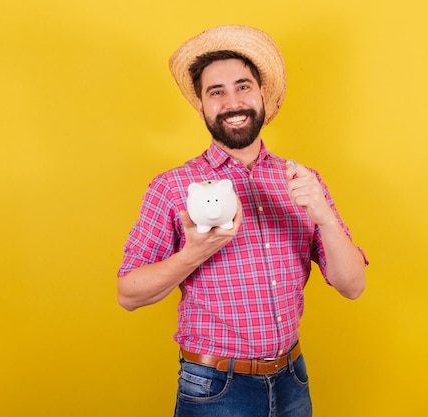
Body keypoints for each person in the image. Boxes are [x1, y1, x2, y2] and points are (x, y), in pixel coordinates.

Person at [117, 25, 368, 417]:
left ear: (262, 94)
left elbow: (352, 285)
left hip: (293, 379)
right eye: (216, 92)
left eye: (243, 86)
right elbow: (128, 294)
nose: (233, 102)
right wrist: (194, 253)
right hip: (216, 387)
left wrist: (326, 218)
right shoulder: (172, 187)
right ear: (201, 106)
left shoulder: (302, 182)